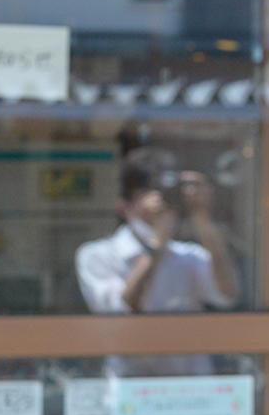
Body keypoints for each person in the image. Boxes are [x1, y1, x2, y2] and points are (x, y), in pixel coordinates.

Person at [76, 148, 239, 376]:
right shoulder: (97, 255)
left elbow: (227, 295)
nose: (162, 202)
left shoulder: (188, 256)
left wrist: (202, 217)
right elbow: (122, 310)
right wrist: (156, 245)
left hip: (192, 394)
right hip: (131, 393)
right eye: (148, 193)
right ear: (124, 206)